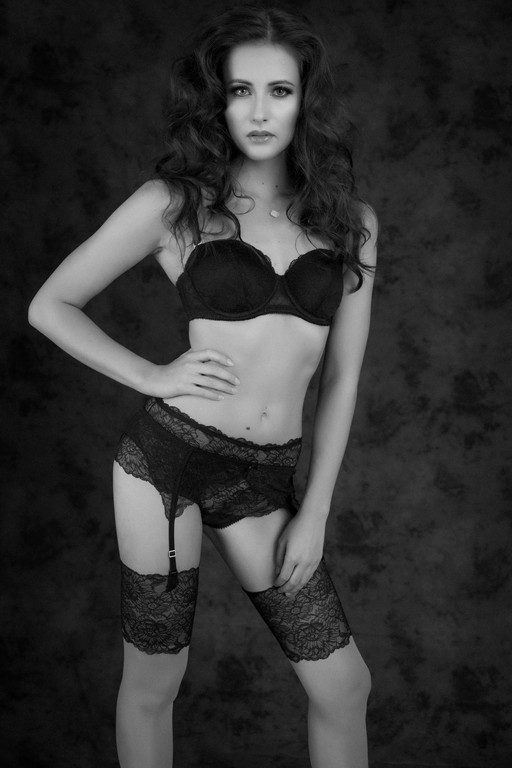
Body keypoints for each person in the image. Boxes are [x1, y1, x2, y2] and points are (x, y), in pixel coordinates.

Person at [28, 5, 377, 767]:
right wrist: (150, 374)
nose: (259, 111)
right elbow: (49, 304)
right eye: (241, 90)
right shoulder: (175, 204)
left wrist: (315, 512)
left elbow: (344, 375)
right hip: (168, 463)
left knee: (343, 685)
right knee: (156, 680)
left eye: (279, 91)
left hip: (264, 479)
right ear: (218, 101)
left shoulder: (351, 223)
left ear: (306, 101)